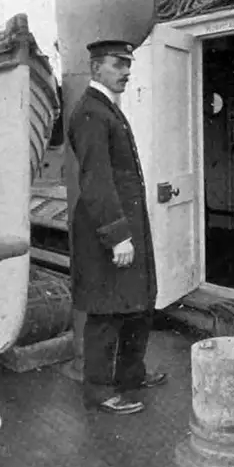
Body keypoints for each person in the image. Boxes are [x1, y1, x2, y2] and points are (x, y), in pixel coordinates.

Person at [67, 39, 165, 415]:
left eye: (128, 63)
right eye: (118, 64)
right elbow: (97, 180)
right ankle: (98, 391)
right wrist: (116, 234)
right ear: (95, 69)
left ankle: (130, 375)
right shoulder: (92, 112)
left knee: (135, 304)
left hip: (123, 227)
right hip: (106, 231)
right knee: (107, 312)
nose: (127, 70)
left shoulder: (106, 109)